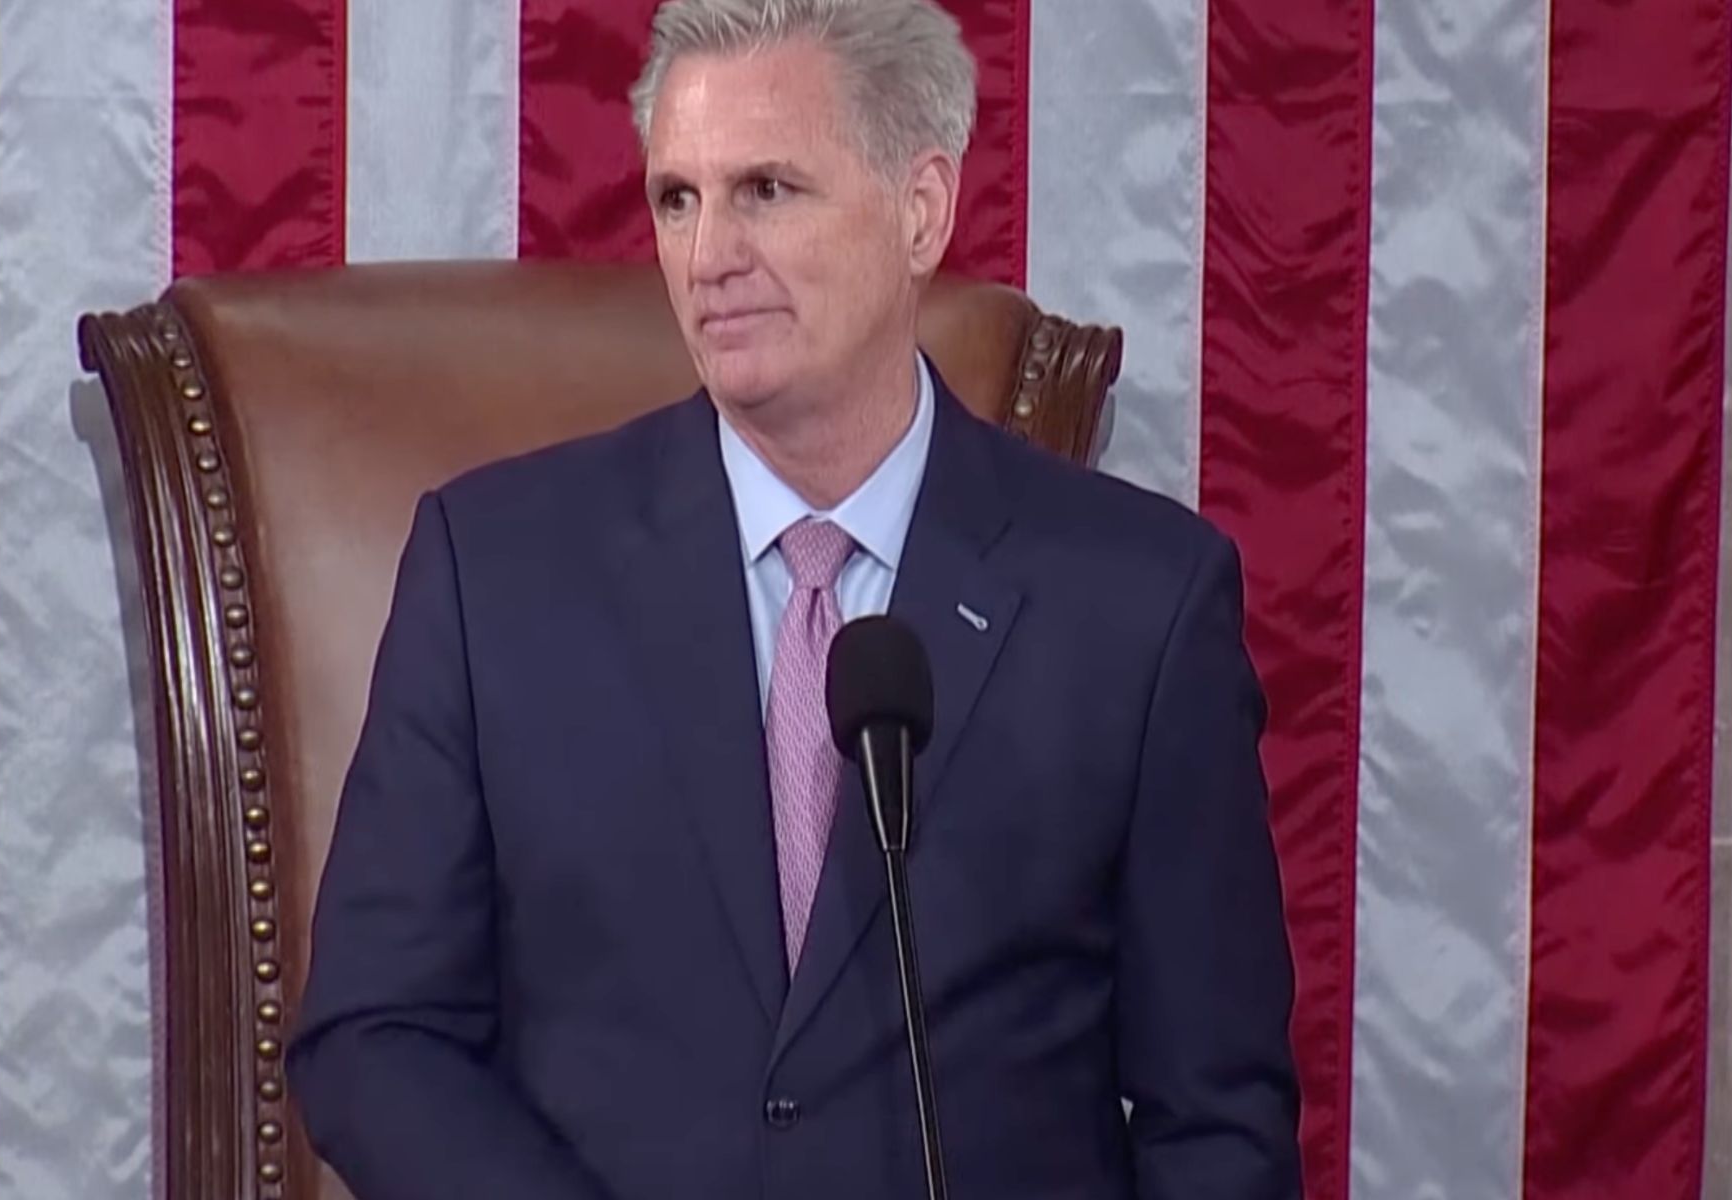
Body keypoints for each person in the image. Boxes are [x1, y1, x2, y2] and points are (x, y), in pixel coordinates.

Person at [287, 1, 1302, 1196]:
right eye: (679, 197)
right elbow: (373, 1035)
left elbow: (1215, 1119)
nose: (710, 254)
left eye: (767, 190)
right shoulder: (494, 571)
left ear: (920, 208)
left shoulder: (1137, 605)